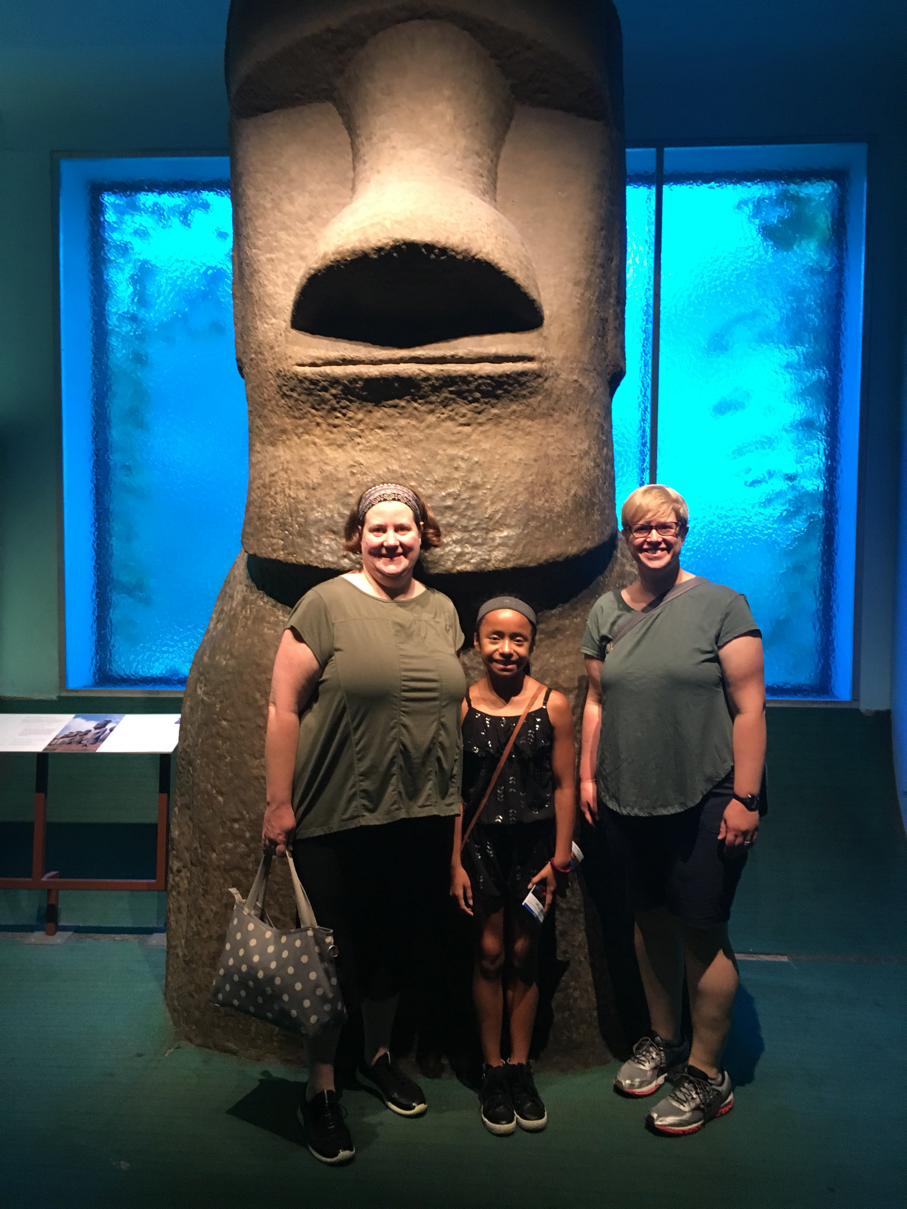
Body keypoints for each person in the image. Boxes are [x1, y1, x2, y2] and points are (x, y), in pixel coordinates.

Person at [261, 482, 466, 1165]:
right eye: (377, 529)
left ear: (422, 535)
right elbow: (283, 707)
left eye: (403, 528)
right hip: (335, 814)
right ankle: (320, 1086)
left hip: (420, 815)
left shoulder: (442, 610)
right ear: (357, 536)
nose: (391, 541)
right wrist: (278, 803)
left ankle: (378, 1056)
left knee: (394, 945)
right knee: (330, 955)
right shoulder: (323, 605)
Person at [580, 484, 765, 1136]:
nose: (654, 538)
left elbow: (749, 707)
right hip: (628, 793)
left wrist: (745, 798)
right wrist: (587, 773)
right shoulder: (605, 611)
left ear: (683, 532)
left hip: (710, 792)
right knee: (649, 917)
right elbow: (596, 701)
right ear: (626, 537)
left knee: (700, 928)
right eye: (641, 528)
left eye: (666, 527)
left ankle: (707, 1074)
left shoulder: (722, 605)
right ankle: (663, 1038)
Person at [450, 597, 576, 1136]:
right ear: (478, 643)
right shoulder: (461, 705)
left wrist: (561, 856)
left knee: (525, 954)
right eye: (495, 638)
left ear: (532, 644)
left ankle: (520, 1066)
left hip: (533, 849)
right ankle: (492, 1069)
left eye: (517, 639)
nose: (506, 649)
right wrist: (453, 862)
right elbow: (454, 791)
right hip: (479, 847)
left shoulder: (553, 705)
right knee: (488, 952)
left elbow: (565, 784)